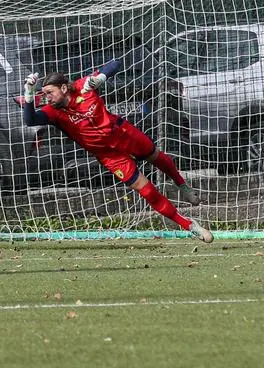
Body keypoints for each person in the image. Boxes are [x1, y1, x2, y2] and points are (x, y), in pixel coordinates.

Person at [21, 63, 213, 243]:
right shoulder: (53, 112)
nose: (47, 98)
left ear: (63, 88)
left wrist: (100, 78)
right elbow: (30, 120)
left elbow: (115, 63)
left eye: (49, 93)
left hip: (122, 133)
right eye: (44, 94)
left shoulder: (83, 86)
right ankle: (189, 225)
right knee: (145, 190)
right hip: (108, 155)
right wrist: (29, 94)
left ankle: (182, 185)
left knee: (157, 157)